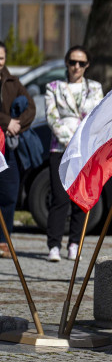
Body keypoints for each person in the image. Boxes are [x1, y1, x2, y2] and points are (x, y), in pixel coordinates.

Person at [44, 46, 102, 263]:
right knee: (59, 198)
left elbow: (97, 115)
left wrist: (81, 142)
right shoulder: (53, 87)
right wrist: (69, 140)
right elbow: (52, 117)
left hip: (85, 150)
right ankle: (54, 245)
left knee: (80, 198)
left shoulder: (94, 88)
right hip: (60, 148)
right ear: (66, 64)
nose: (76, 67)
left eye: (81, 63)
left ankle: (74, 243)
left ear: (87, 65)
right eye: (72, 62)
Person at [0, 43, 35, 259]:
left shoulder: (13, 81)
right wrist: (6, 121)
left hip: (8, 148)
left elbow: (31, 107)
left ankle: (4, 240)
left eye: (1, 58)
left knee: (8, 193)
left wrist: (17, 123)